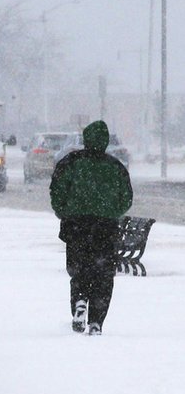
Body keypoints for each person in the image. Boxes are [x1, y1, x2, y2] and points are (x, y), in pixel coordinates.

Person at [49, 120, 133, 335]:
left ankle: (79, 301)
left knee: (79, 270)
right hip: (106, 228)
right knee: (103, 275)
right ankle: (96, 320)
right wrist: (111, 212)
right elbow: (126, 198)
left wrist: (65, 212)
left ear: (86, 139)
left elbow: (57, 190)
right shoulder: (115, 167)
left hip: (77, 226)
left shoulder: (71, 162)